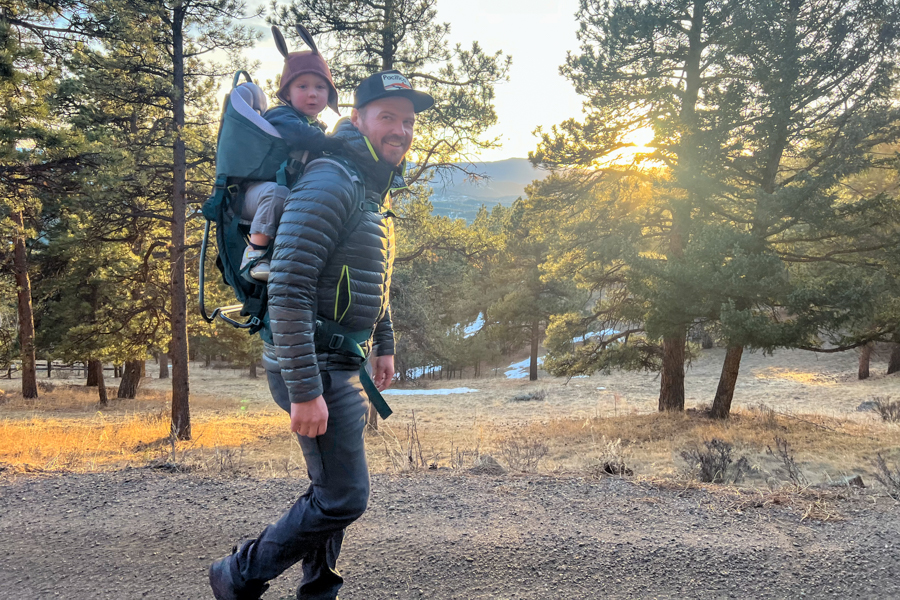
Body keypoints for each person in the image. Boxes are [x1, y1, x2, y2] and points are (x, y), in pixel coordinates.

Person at [209, 69, 434, 600]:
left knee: (329, 488)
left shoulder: (366, 185)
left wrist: (383, 342)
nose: (400, 130)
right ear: (357, 119)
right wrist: (306, 390)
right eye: (387, 117)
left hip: (337, 357)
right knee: (344, 497)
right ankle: (238, 574)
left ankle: (318, 590)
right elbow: (287, 286)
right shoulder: (333, 180)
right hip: (311, 360)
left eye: (407, 121)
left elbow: (367, 273)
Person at [239, 26, 343, 281]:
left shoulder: (313, 126)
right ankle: (253, 256)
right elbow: (300, 136)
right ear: (287, 92)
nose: (312, 93)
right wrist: (338, 143)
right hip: (251, 196)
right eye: (303, 86)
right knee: (278, 193)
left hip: (275, 200)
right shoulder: (281, 116)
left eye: (320, 87)